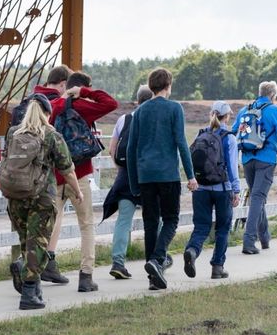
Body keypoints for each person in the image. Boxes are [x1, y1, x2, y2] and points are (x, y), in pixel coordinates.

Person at [2, 94, 81, 309]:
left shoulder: (13, 133)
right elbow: (67, 168)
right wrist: (77, 192)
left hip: (15, 196)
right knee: (38, 244)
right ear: (48, 114)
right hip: (41, 197)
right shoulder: (51, 135)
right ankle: (28, 294)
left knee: (26, 240)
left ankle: (33, 284)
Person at [126, 67, 198, 291]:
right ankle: (156, 260)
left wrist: (133, 182)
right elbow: (181, 144)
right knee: (171, 220)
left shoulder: (141, 111)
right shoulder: (174, 108)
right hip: (167, 174)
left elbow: (131, 148)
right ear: (168, 85)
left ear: (151, 86)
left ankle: (153, 279)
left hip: (146, 175)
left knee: (150, 223)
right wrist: (191, 175)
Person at [47, 70, 118, 292]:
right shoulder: (82, 106)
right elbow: (111, 103)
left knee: (49, 222)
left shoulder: (54, 106)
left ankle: (39, 264)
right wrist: (85, 93)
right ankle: (86, 276)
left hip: (55, 175)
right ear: (79, 89)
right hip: (80, 175)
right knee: (86, 225)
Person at [232, 81, 277, 255]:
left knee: (257, 197)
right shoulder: (274, 110)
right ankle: (249, 241)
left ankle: (264, 238)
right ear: (273, 95)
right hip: (266, 159)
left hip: (247, 159)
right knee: (258, 198)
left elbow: (234, 132)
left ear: (259, 92)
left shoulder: (245, 110)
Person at [184, 101, 240, 279]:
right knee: (223, 228)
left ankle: (192, 251)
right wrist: (236, 190)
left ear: (211, 114)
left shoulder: (201, 135)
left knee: (201, 226)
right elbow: (232, 168)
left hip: (200, 188)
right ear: (227, 116)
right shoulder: (229, 137)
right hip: (222, 189)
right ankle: (217, 267)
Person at [103, 85, 152, 280]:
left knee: (123, 221)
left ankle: (118, 262)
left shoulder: (124, 119)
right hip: (147, 177)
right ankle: (157, 258)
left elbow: (112, 149)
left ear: (137, 100)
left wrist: (122, 169)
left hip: (125, 178)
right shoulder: (152, 120)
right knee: (154, 219)